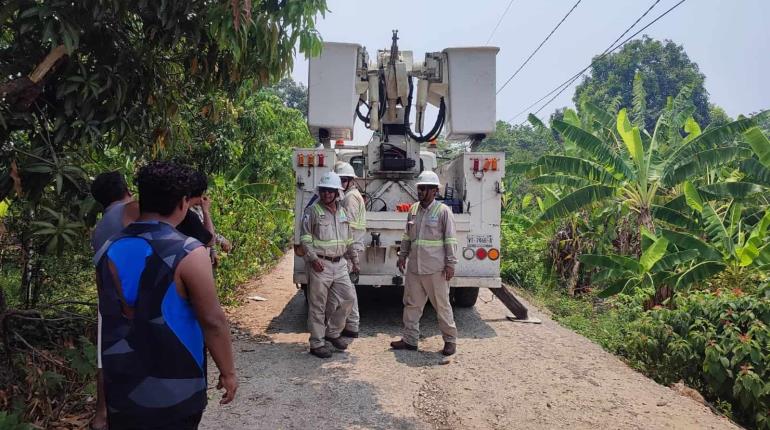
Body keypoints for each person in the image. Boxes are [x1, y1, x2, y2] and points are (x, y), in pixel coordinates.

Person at [94, 161, 237, 429]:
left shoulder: (107, 248)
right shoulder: (189, 252)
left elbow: (112, 310)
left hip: (123, 387)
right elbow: (212, 321)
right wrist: (228, 372)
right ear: (183, 203)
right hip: (175, 389)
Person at [89, 171, 140, 430]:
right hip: (129, 300)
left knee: (105, 357)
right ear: (127, 189)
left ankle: (102, 414)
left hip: (107, 302)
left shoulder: (99, 227)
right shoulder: (130, 209)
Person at [390, 170, 459, 356]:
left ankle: (450, 341)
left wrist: (451, 264)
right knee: (412, 305)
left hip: (435, 270)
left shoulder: (443, 211)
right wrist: (402, 255)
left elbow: (450, 239)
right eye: (420, 188)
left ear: (435, 191)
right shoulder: (413, 210)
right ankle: (410, 340)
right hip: (415, 269)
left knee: (442, 306)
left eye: (425, 189)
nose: (421, 192)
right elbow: (406, 236)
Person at [299, 172, 358, 358]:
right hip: (320, 265)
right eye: (323, 191)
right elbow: (305, 238)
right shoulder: (312, 212)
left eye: (330, 191)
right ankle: (317, 343)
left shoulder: (342, 212)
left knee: (348, 299)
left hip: (340, 264)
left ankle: (332, 333)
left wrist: (354, 260)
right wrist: (312, 258)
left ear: (337, 193)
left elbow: (349, 239)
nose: (326, 195)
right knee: (317, 306)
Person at [325, 161, 365, 338]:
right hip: (352, 246)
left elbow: (346, 226)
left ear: (350, 181)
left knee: (346, 291)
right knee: (348, 290)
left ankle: (350, 325)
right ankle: (351, 325)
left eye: (342, 181)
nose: (339, 185)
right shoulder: (352, 195)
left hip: (350, 248)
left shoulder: (350, 198)